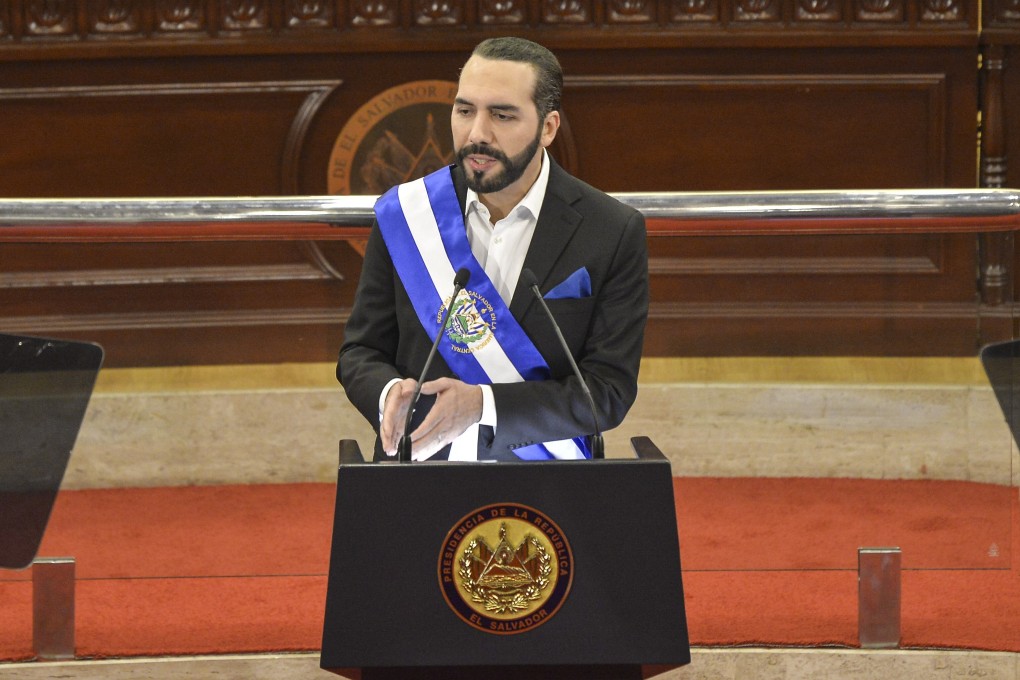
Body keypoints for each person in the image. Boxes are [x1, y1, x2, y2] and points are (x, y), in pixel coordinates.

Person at [337, 36, 648, 462]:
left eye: (502, 115)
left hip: (549, 481)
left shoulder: (611, 230)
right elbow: (362, 351)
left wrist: (482, 406)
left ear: (548, 128)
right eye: (465, 111)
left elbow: (608, 392)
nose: (477, 133)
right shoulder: (408, 214)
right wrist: (389, 394)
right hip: (420, 471)